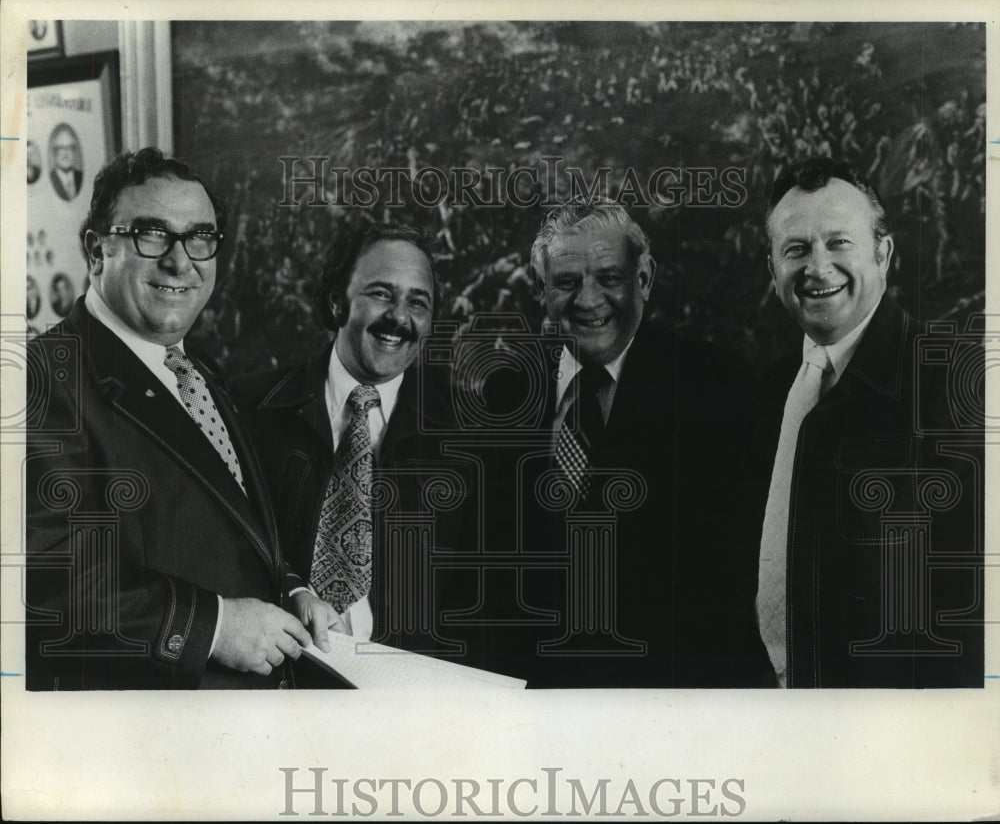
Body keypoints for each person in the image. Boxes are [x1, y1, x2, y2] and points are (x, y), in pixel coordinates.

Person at [26, 147, 332, 690]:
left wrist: (288, 586)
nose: (180, 260)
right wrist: (214, 627)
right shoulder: (41, 381)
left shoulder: (199, 369)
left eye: (200, 237)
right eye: (151, 234)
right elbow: (46, 588)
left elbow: (224, 522)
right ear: (96, 251)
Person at [479, 200, 767, 687]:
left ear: (645, 279)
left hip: (666, 703)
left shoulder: (717, 388)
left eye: (609, 277)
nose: (589, 301)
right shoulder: (505, 394)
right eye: (568, 282)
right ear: (541, 291)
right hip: (533, 704)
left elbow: (732, 583)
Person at [753, 157, 983, 688]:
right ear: (772, 270)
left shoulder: (957, 388)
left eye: (838, 243)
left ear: (883, 254)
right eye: (796, 249)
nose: (817, 268)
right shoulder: (765, 396)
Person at [234, 223, 481, 680]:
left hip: (409, 705)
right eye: (381, 294)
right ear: (336, 301)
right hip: (273, 690)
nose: (399, 318)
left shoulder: (467, 439)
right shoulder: (246, 412)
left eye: (417, 302)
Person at [48, 124, 83, 202]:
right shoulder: (50, 178)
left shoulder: (80, 177)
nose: (65, 152)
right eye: (61, 148)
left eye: (69, 147)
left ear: (74, 152)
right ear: (55, 153)